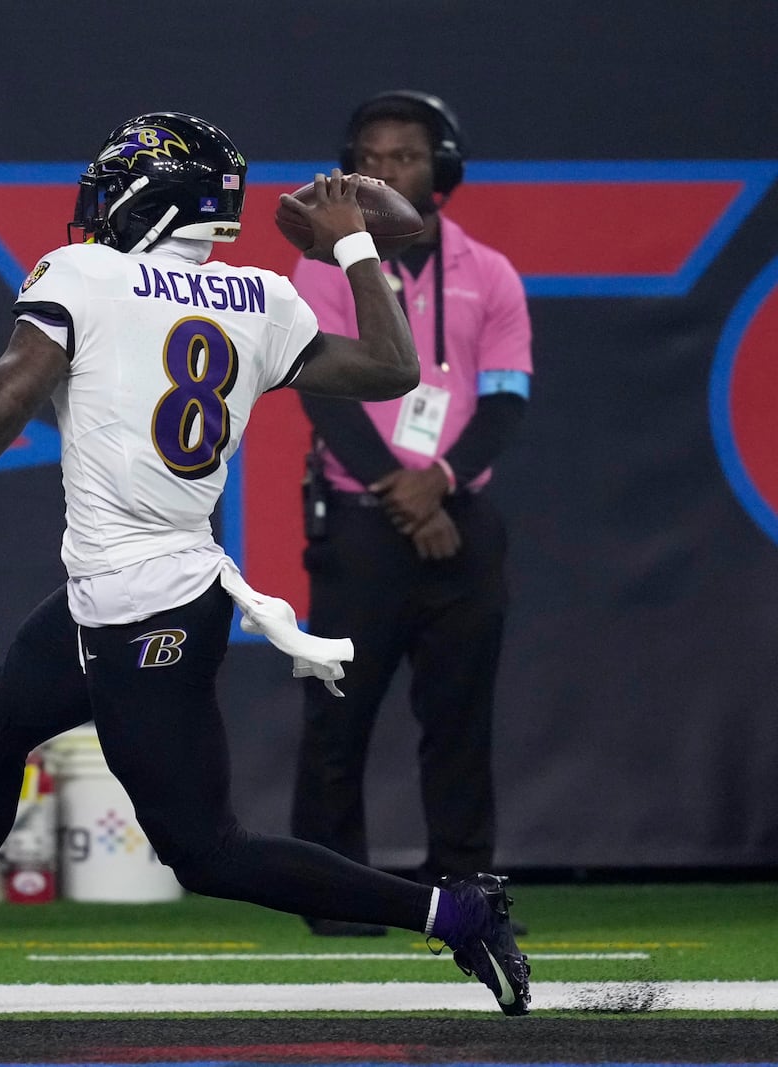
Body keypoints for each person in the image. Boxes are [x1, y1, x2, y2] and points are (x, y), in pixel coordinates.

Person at [0, 112, 530, 1015]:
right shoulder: (261, 299)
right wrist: (354, 251)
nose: (98, 207)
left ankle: (454, 913)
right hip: (128, 590)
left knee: (206, 850)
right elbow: (393, 368)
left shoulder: (85, 274)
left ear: (149, 198)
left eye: (113, 189)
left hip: (145, 610)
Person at [287, 91, 532, 937]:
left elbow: (505, 399)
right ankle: (333, 895)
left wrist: (440, 484)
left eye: (405, 157)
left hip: (461, 514)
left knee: (461, 716)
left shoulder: (490, 272)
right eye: (370, 155)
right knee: (338, 712)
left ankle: (466, 889)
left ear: (443, 171)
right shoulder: (323, 267)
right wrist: (402, 489)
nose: (384, 170)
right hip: (359, 520)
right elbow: (321, 389)